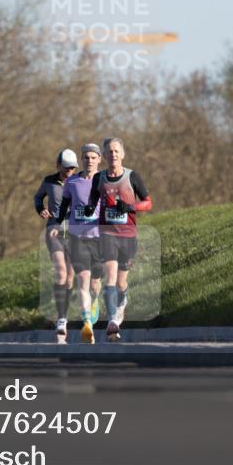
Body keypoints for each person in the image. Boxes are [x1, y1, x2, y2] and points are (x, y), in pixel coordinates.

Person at [84, 138, 152, 342]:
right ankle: (113, 321)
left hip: (128, 236)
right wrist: (89, 208)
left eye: (116, 151)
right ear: (104, 156)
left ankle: (121, 304)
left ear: (122, 154)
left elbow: (148, 203)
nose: (113, 154)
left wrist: (130, 207)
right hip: (107, 235)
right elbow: (93, 200)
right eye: (109, 151)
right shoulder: (99, 178)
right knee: (110, 277)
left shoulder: (132, 176)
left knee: (122, 283)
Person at [56, 143, 104, 344]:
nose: (90, 160)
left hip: (100, 239)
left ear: (99, 160)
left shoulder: (105, 180)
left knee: (95, 285)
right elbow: (65, 206)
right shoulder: (72, 182)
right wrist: (56, 225)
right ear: (81, 160)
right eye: (86, 157)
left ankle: (93, 305)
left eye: (93, 157)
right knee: (82, 280)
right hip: (77, 239)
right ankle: (87, 324)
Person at [35, 148, 78, 343]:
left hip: (75, 231)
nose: (69, 171)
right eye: (66, 168)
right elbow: (38, 198)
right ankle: (60, 320)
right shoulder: (49, 181)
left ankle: (64, 315)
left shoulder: (79, 181)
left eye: (72, 168)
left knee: (70, 278)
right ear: (58, 165)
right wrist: (41, 210)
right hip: (54, 229)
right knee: (61, 272)